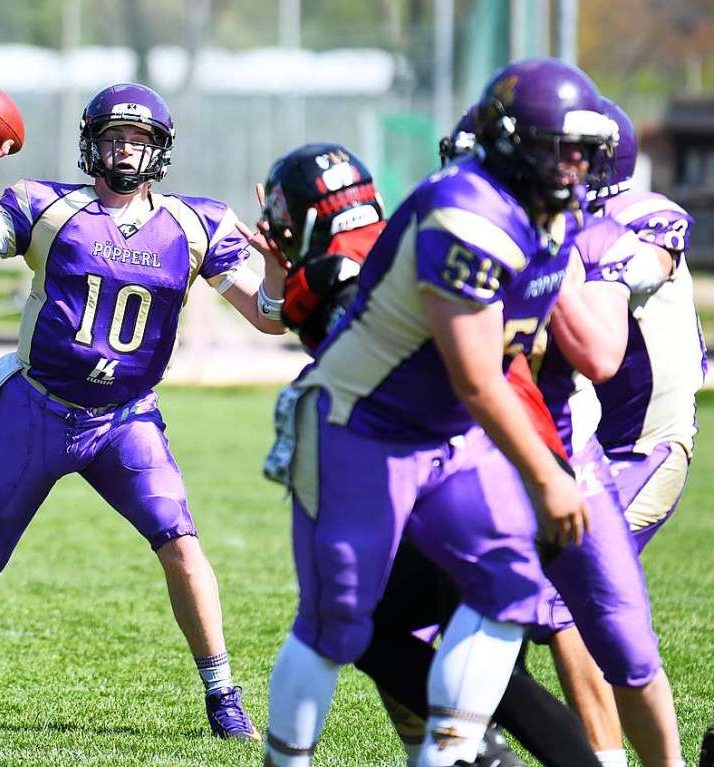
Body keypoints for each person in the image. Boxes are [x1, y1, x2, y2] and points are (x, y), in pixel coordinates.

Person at [0, 82, 287, 741]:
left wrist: (274, 272)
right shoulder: (46, 208)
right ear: (90, 143)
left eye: (138, 139)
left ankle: (222, 692)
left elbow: (269, 320)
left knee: (181, 545)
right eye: (113, 137)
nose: (125, 150)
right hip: (37, 407)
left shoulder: (195, 223)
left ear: (160, 149)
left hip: (125, 419)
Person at [259, 57, 614, 767]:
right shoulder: (465, 212)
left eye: (583, 150)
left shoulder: (546, 213)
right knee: (336, 621)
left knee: (508, 583)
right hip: (362, 427)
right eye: (559, 148)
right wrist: (546, 471)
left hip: (449, 435)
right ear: (513, 142)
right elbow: (479, 376)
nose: (575, 166)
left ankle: (450, 755)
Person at [526, 96, 701, 767]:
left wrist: (605, 275)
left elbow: (652, 256)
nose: (552, 164)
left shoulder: (639, 216)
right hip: (588, 449)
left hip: (647, 446)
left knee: (561, 599)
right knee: (534, 595)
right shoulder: (555, 221)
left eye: (564, 151)